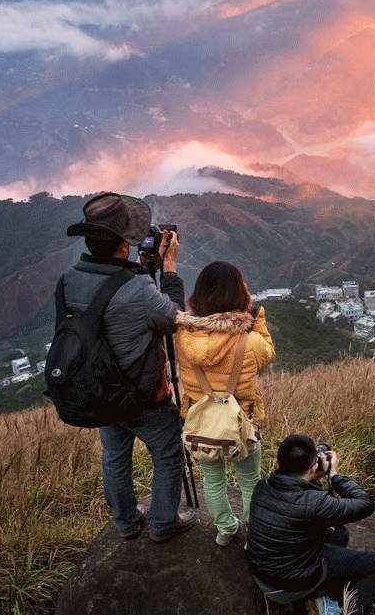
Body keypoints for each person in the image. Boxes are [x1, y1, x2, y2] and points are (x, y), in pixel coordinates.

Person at [60, 192, 195, 543]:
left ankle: (125, 522)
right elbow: (173, 319)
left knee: (115, 456)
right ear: (124, 244)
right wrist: (168, 270)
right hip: (141, 393)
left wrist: (136, 269)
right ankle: (164, 523)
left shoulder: (69, 279)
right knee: (167, 454)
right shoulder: (137, 288)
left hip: (99, 390)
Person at [175, 261, 276, 546]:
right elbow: (268, 354)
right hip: (241, 421)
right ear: (239, 294)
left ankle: (225, 529)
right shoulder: (250, 340)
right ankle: (253, 535)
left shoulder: (184, 336)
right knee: (249, 481)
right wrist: (258, 319)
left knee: (212, 480)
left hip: (200, 419)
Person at [247, 434, 375, 615]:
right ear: (313, 467)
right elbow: (365, 504)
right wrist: (335, 476)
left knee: (339, 533)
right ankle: (331, 602)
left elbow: (298, 506)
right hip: (293, 585)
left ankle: (322, 594)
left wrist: (312, 479)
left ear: (277, 463)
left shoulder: (262, 486)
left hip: (262, 576)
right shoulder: (315, 503)